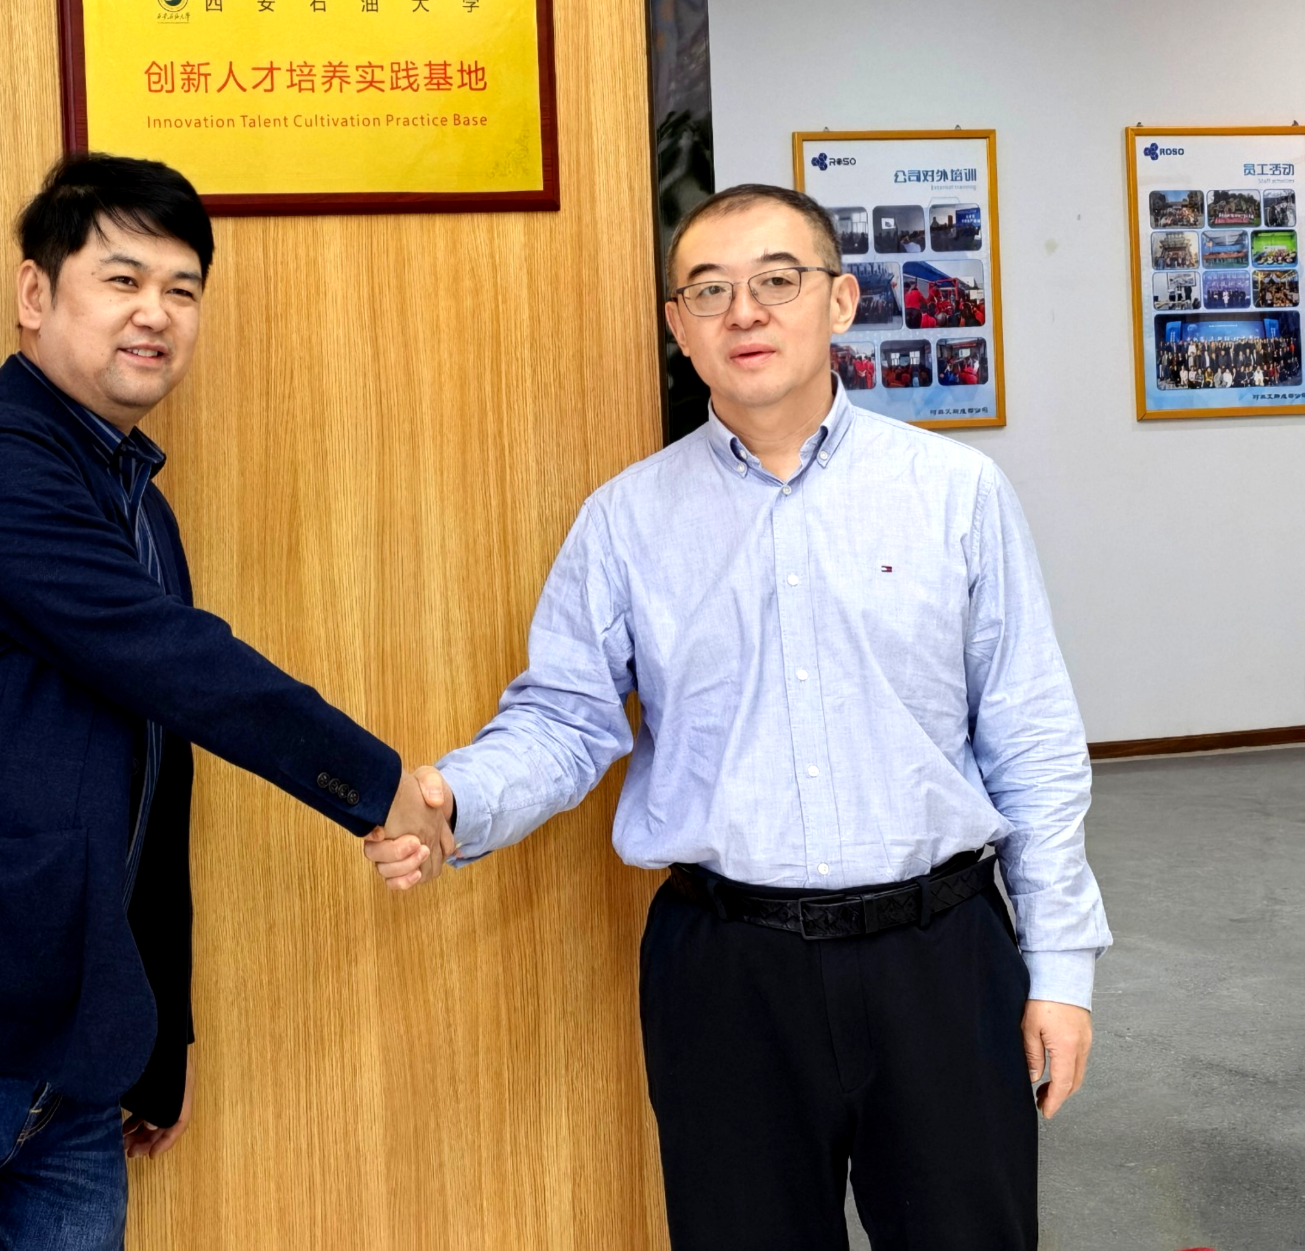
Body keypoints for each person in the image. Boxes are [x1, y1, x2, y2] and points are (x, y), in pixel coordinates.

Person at [366, 182, 1110, 1251]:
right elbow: (567, 718)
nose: (744, 312)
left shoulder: (955, 493)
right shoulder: (626, 518)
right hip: (726, 972)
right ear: (679, 327)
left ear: (841, 301)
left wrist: (1061, 968)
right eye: (708, 291)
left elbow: (1029, 740)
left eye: (777, 280)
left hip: (939, 959)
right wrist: (454, 795)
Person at [0, 153, 449, 1250]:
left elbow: (153, 782)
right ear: (35, 295)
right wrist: (377, 785)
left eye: (182, 289)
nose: (154, 313)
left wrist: (158, 1040)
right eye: (122, 279)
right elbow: (176, 661)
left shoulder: (136, 504)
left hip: (68, 1070)